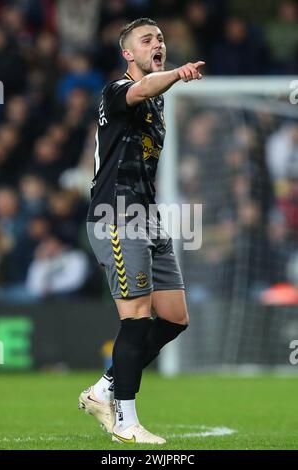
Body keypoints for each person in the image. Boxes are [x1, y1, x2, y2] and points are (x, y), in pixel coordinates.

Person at [79, 17, 205, 444]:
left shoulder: (158, 103)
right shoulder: (117, 91)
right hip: (115, 216)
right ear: (128, 54)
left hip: (147, 218)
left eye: (161, 38)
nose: (159, 44)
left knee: (174, 317)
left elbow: (153, 93)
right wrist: (177, 73)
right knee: (135, 320)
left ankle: (103, 389)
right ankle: (126, 424)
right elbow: (145, 88)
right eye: (147, 40)